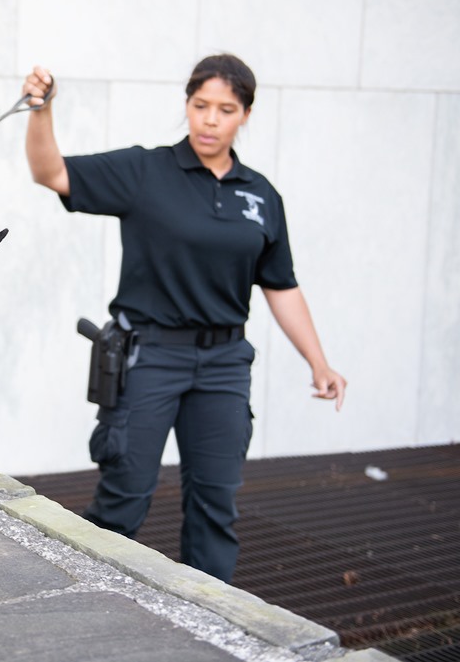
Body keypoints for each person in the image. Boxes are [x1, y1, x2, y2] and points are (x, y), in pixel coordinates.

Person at [21, 55, 346, 583]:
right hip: (149, 356)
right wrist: (42, 110)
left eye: (225, 109)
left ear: (244, 114)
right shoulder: (145, 171)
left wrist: (319, 361)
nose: (210, 120)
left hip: (224, 365)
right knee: (124, 498)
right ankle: (80, 599)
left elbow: (280, 285)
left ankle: (211, 616)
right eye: (200, 106)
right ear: (187, 107)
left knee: (216, 505)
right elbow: (50, 171)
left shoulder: (261, 196)